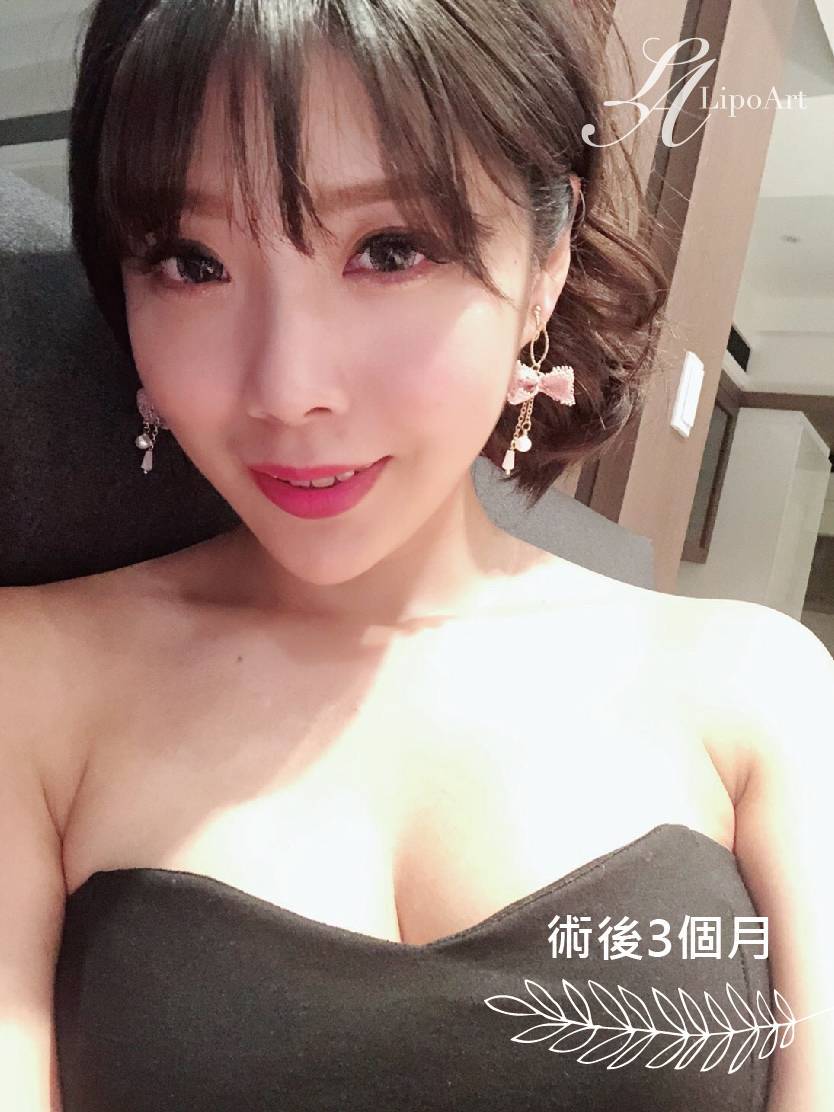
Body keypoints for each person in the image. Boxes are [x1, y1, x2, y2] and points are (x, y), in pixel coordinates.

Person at [2, 2, 832, 1110]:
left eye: (390, 250)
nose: (288, 387)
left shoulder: (755, 692)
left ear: (545, 261)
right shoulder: (31, 681)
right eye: (191, 262)